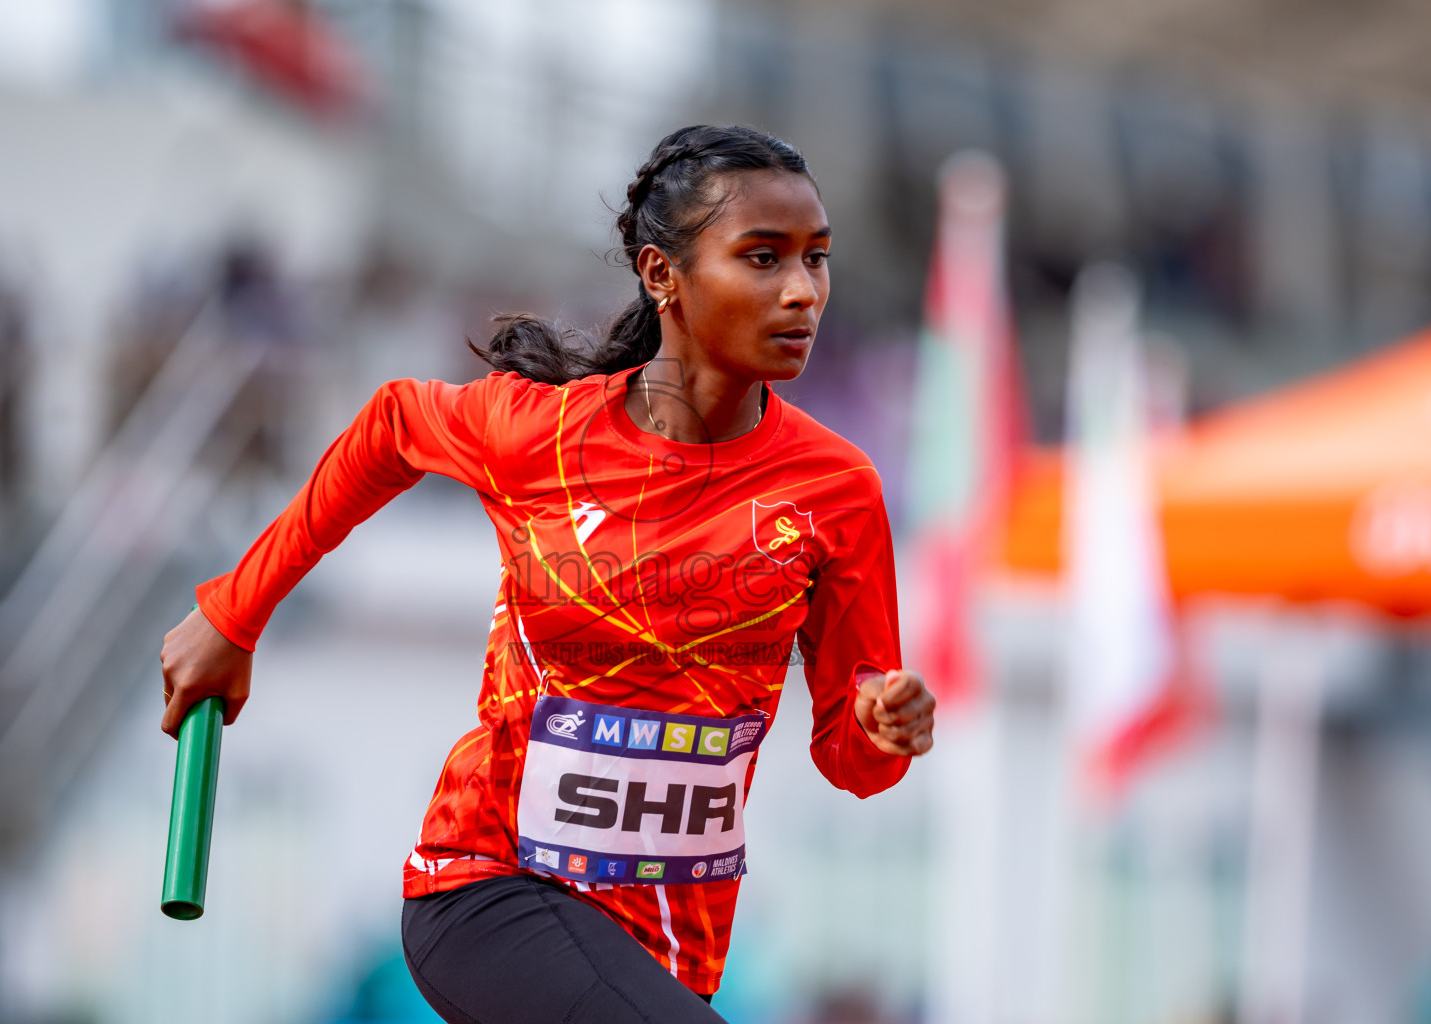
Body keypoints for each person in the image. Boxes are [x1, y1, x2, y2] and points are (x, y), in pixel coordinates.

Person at [159, 124, 937, 1023]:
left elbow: (852, 759)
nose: (803, 292)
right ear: (662, 276)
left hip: (666, 947)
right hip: (487, 888)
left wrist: (883, 723)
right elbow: (389, 429)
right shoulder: (542, 432)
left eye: (817, 259)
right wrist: (234, 614)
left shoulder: (837, 489)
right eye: (762, 258)